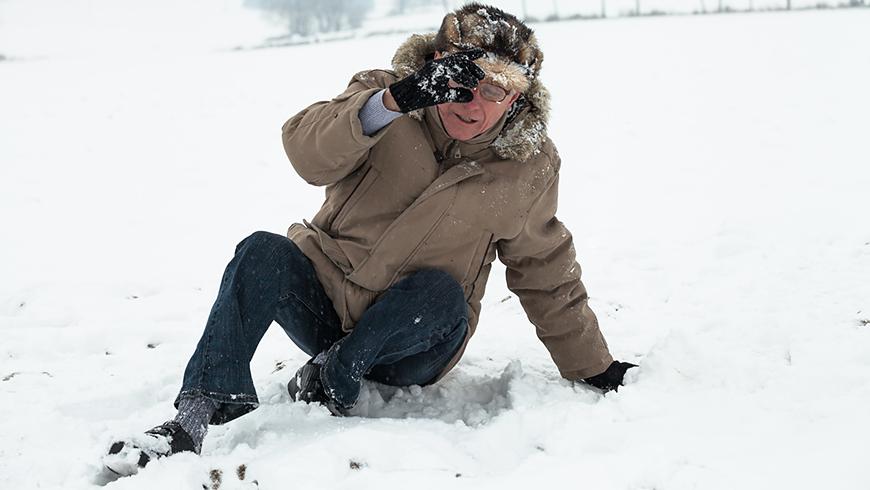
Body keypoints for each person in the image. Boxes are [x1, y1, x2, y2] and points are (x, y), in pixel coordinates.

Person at [103, 3, 637, 476]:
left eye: (493, 90)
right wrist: (391, 102)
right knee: (260, 251)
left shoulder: (529, 166)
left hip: (417, 340)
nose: (471, 102)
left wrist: (593, 366)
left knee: (440, 291)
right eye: (460, 80)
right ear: (434, 66)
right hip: (326, 305)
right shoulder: (381, 98)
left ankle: (334, 374)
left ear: (517, 97)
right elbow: (306, 155)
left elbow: (544, 268)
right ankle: (194, 417)